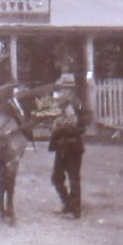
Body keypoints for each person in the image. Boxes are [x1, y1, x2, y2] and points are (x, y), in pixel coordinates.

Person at [48, 85, 86, 218]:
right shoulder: (61, 108)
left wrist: (58, 128)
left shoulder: (75, 107)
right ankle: (68, 203)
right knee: (56, 177)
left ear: (70, 92)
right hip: (61, 147)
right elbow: (54, 125)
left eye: (63, 91)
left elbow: (75, 127)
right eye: (60, 91)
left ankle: (75, 209)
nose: (59, 95)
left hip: (73, 147)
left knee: (73, 178)